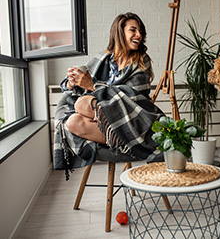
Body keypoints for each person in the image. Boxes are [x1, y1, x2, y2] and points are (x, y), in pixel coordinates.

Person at [54, 12, 164, 179]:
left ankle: (127, 141)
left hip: (134, 121)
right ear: (119, 33)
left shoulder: (141, 61)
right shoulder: (103, 58)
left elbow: (131, 99)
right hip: (106, 123)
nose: (139, 35)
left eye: (140, 31)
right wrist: (72, 83)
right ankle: (120, 138)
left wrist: (92, 85)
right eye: (133, 30)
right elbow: (77, 87)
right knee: (72, 122)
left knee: (82, 104)